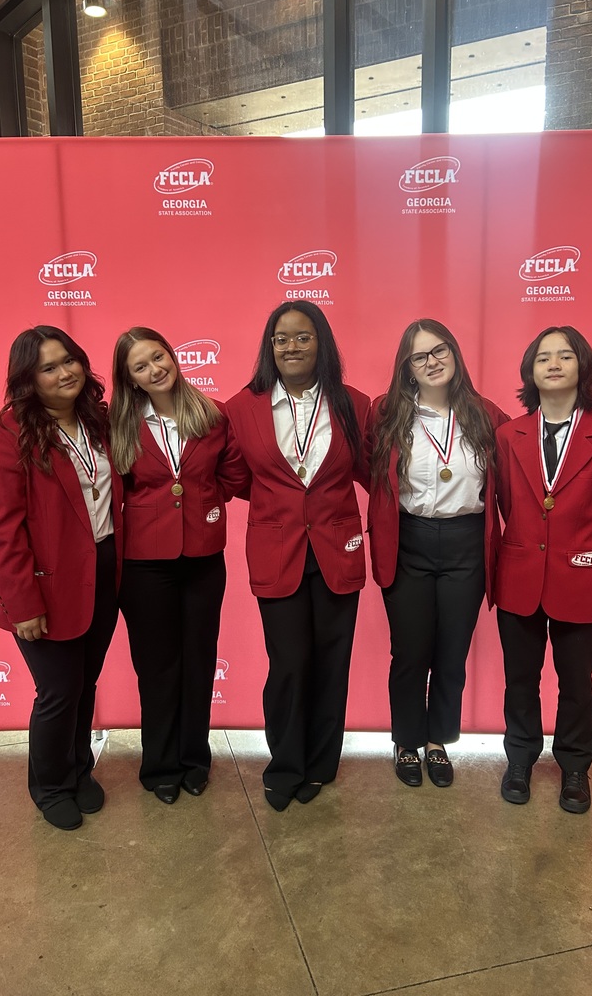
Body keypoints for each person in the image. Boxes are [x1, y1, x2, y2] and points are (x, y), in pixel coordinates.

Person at [0, 325, 122, 832]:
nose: (64, 373)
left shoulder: (97, 421)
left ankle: (79, 770)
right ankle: (50, 786)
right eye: (48, 368)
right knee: (58, 690)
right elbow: (1, 531)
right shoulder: (1, 436)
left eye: (69, 360)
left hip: (101, 569)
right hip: (43, 583)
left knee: (84, 683)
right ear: (27, 380)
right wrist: (24, 604)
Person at [226, 301, 370, 811]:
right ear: (270, 347)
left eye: (303, 337)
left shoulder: (354, 404)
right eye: (281, 338)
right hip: (277, 551)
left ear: (321, 343)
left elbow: (370, 471)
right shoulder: (241, 408)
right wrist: (281, 506)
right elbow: (236, 477)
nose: (291, 346)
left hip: (337, 550)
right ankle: (286, 764)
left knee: (332, 662)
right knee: (288, 664)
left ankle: (322, 764)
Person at [495, 325, 592, 814]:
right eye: (543, 357)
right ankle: (519, 759)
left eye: (565, 355)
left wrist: (579, 549)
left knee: (577, 682)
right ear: (530, 372)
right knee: (520, 678)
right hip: (519, 575)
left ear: (583, 367)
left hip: (581, 576)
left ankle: (575, 766)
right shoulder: (507, 436)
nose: (553, 364)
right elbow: (507, 503)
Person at [110, 327, 248, 805]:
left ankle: (194, 760)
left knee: (199, 661)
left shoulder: (212, 414)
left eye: (158, 356)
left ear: (172, 355)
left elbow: (233, 473)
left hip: (204, 558)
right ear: (130, 379)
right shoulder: (118, 424)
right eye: (140, 366)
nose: (155, 369)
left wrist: (200, 502)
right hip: (145, 564)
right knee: (157, 667)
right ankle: (160, 765)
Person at [369, 320, 508, 789]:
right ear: (406, 368)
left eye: (439, 350)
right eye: (419, 356)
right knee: (410, 651)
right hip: (409, 540)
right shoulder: (386, 413)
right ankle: (406, 742)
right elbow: (367, 470)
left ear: (455, 353)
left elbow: (508, 483)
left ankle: (437, 742)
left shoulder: (487, 415)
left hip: (467, 543)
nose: (432, 362)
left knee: (451, 653)